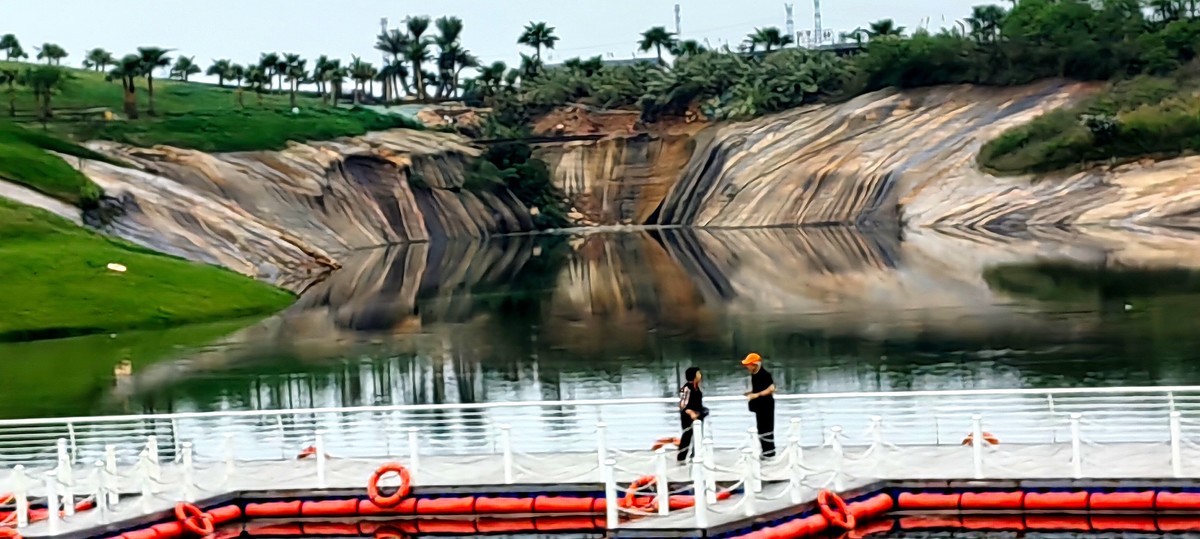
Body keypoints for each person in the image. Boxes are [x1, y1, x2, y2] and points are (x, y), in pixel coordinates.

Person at [742, 353, 776, 458]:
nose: (747, 367)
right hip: (759, 406)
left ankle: (770, 452)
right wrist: (750, 393)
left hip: (767, 405)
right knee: (761, 428)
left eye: (749, 365)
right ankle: (765, 451)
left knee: (767, 429)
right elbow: (759, 388)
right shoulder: (754, 374)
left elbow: (772, 389)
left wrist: (756, 395)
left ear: (754, 364)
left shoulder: (765, 374)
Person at [677, 366, 707, 464]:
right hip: (688, 417)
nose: (700, 375)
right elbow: (682, 405)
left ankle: (695, 456)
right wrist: (691, 412)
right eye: (698, 373)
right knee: (686, 437)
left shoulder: (697, 387)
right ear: (694, 376)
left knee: (698, 437)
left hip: (698, 416)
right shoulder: (686, 388)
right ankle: (681, 458)